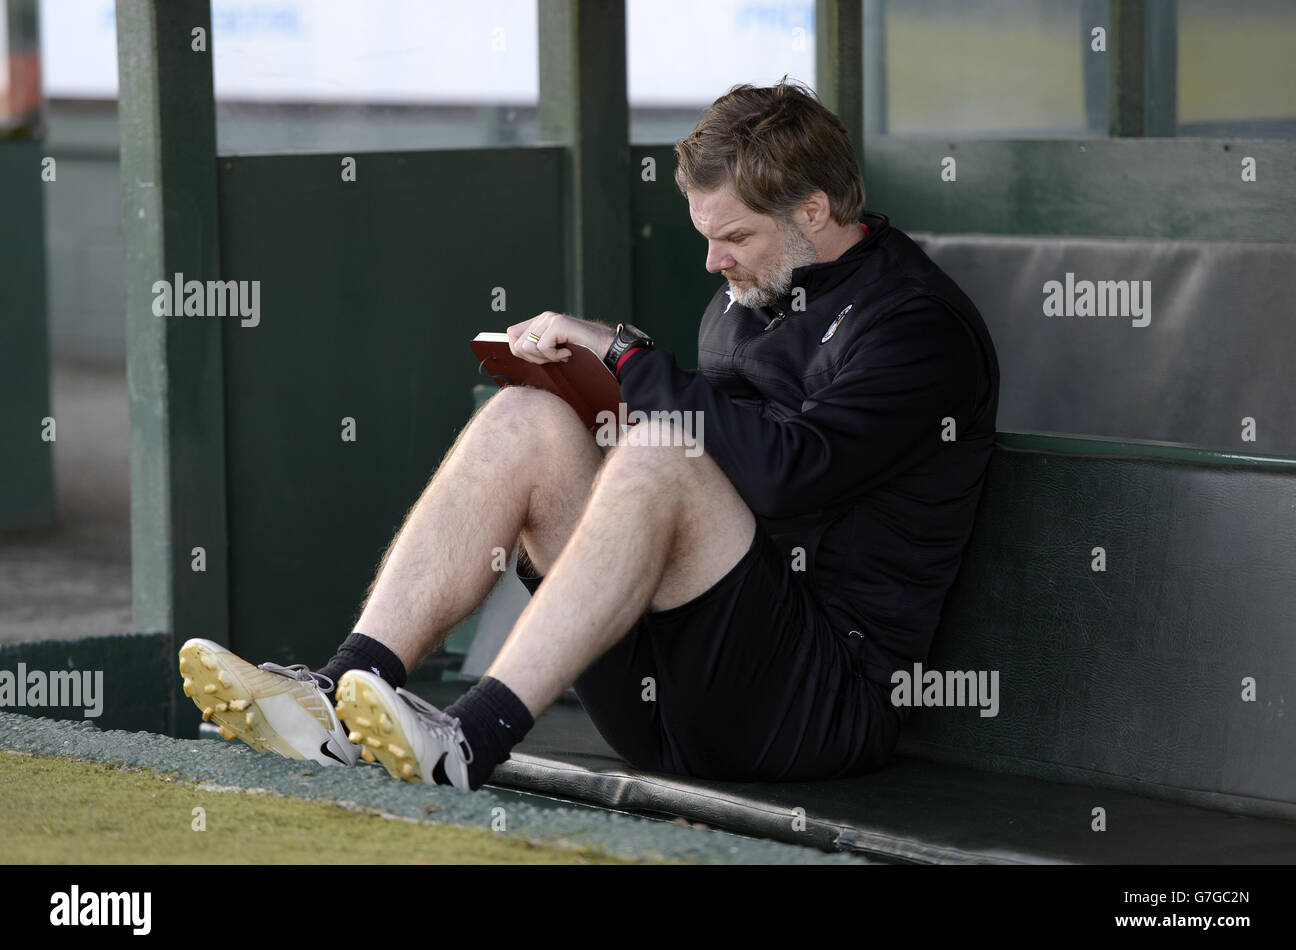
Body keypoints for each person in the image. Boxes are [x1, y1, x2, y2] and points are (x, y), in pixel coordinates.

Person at [179, 77, 999, 792]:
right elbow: (713, 460)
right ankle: (338, 690)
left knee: (659, 454)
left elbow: (787, 475)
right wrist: (591, 391)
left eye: (736, 237)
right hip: (667, 690)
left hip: (811, 707)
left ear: (814, 210)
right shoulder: (747, 298)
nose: (715, 263)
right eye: (704, 236)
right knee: (526, 418)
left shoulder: (917, 326)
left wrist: (627, 356)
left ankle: (471, 738)